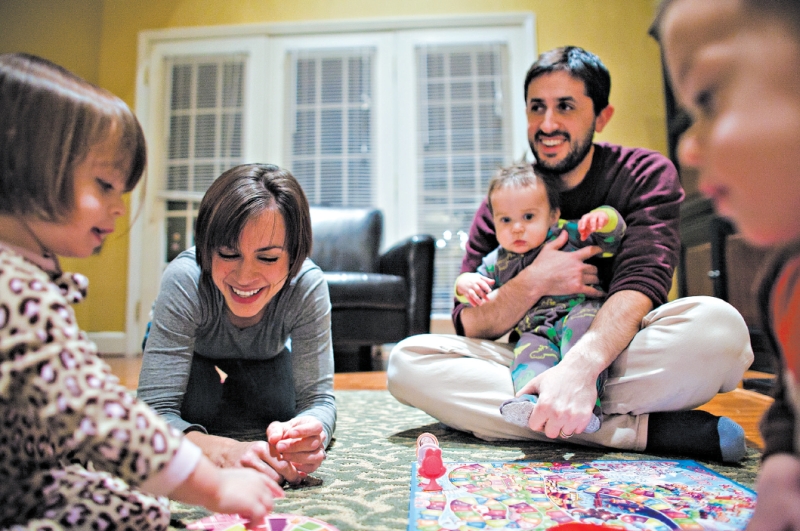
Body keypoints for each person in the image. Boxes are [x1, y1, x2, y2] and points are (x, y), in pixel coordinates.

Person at [388, 45, 755, 463]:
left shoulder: (644, 173)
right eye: (536, 107)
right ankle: (635, 430)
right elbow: (470, 323)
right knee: (407, 363)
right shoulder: (510, 199)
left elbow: (642, 283)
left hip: (615, 346)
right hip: (531, 347)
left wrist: (581, 370)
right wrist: (536, 280)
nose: (547, 124)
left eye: (565, 107)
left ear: (601, 116)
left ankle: (546, 407)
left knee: (719, 330)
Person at [0, 52, 283, 530]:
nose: (118, 209)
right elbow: (102, 416)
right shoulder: (16, 289)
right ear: (27, 169)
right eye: (106, 185)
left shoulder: (30, 272)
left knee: (135, 506)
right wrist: (213, 487)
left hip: (34, 469)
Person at [654, 0, 800, 528]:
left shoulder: (641, 176)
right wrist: (783, 462)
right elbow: (789, 401)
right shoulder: (784, 280)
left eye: (709, 100)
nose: (689, 147)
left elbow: (646, 281)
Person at [137, 163, 336, 486]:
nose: (244, 278)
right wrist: (222, 451)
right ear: (206, 248)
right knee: (197, 403)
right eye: (229, 253)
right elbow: (151, 413)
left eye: (268, 258)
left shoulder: (307, 285)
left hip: (264, 356)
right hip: (195, 354)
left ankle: (234, 390)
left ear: (293, 256)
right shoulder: (185, 278)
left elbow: (319, 399)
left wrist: (312, 432)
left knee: (279, 406)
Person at [454, 163, 626, 434]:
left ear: (552, 215)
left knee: (582, 339)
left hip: (579, 311)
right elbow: (470, 287)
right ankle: (528, 402)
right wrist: (463, 283)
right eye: (506, 220)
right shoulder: (496, 260)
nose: (517, 228)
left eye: (528, 217)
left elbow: (611, 241)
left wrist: (604, 219)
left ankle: (587, 406)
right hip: (536, 330)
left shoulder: (565, 234)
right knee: (528, 358)